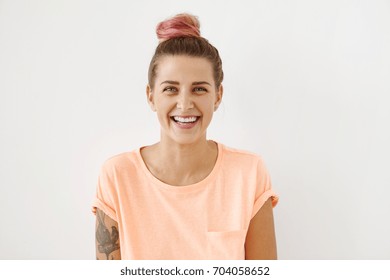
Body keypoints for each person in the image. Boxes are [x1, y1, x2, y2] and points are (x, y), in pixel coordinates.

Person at [92, 13, 278, 260]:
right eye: (170, 89)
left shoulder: (249, 172)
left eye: (199, 89)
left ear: (218, 96)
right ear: (151, 96)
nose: (184, 104)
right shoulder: (117, 175)